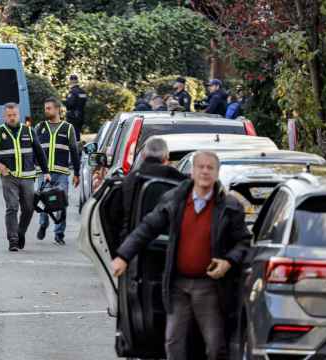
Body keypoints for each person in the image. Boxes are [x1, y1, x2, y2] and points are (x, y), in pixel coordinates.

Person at [111, 151, 251, 360]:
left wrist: (228, 262)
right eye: (200, 167)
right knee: (173, 342)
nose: (205, 171)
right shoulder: (174, 200)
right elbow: (147, 227)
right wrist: (123, 256)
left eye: (210, 167)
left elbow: (244, 242)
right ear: (192, 172)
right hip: (177, 285)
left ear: (216, 173)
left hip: (210, 287)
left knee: (214, 346)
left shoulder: (230, 206)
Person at [0, 103, 51, 252]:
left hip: (28, 177)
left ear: (18, 115)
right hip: (9, 177)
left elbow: (39, 152)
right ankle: (13, 240)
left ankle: (21, 232)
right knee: (12, 207)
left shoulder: (29, 131)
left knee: (28, 208)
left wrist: (46, 172)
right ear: (4, 116)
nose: (12, 118)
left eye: (14, 115)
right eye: (9, 115)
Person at [119, 138, 187, 238]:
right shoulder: (174, 177)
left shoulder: (130, 178)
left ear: (143, 155)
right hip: (164, 240)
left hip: (132, 238)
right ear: (166, 157)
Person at [34, 98, 81, 245]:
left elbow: (74, 151)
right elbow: (33, 148)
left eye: (48, 108)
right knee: (42, 201)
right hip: (43, 173)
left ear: (57, 109)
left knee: (61, 203)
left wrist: (77, 173)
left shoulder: (68, 128)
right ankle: (43, 224)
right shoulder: (40, 127)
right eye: (45, 108)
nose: (46, 110)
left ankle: (59, 234)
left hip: (61, 173)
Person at [64, 74, 87, 141]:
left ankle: (75, 149)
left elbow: (70, 104)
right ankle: (77, 147)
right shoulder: (82, 91)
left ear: (71, 81)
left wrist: (64, 102)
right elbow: (84, 103)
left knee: (73, 136)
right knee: (77, 134)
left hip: (73, 116)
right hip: (81, 115)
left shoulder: (72, 92)